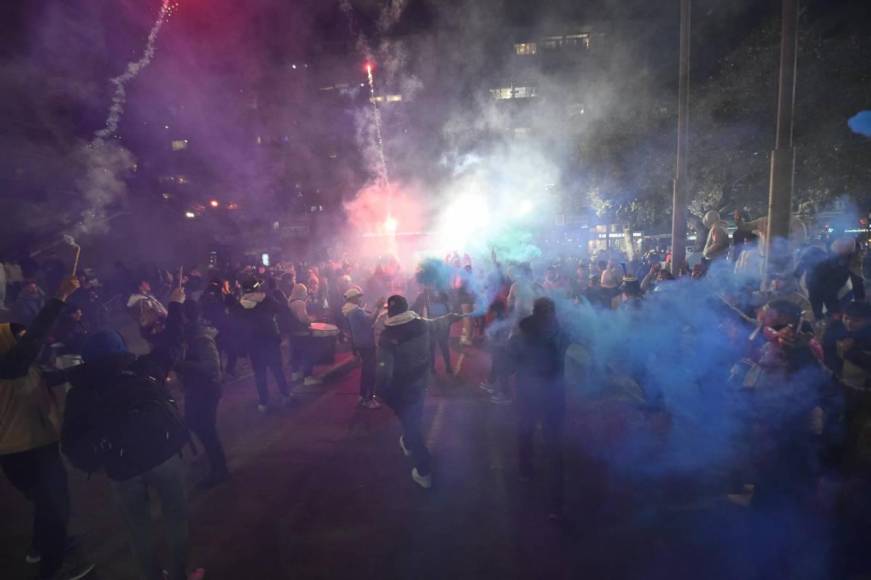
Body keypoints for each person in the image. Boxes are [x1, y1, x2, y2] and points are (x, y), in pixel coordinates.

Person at [62, 301, 204, 580]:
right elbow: (172, 345)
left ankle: (152, 576)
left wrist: (99, 462)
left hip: (122, 469)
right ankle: (179, 575)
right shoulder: (143, 369)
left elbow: (71, 443)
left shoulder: (79, 393)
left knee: (138, 529)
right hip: (164, 457)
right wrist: (175, 304)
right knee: (176, 518)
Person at [0, 276, 94, 580]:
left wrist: (91, 368)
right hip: (27, 451)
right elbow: (31, 344)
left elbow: (48, 377)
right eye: (21, 337)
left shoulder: (21, 366)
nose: (28, 340)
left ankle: (40, 546)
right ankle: (53, 570)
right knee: (57, 506)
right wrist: (60, 297)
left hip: (29, 446)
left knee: (46, 502)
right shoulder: (8, 365)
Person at [376, 295, 460, 489]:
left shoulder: (388, 337)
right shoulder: (422, 324)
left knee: (411, 423)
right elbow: (439, 322)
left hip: (402, 386)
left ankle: (424, 470)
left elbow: (384, 369)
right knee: (414, 415)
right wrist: (453, 316)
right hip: (421, 381)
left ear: (390, 311)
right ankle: (407, 441)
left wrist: (380, 390)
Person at [508, 297, 570, 518]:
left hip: (527, 391)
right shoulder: (562, 332)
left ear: (534, 311)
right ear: (552, 312)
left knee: (525, 429)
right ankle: (556, 504)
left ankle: (524, 469)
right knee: (554, 444)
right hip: (554, 393)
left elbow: (510, 362)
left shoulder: (521, 332)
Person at [177, 300, 229, 488]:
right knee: (195, 423)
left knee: (206, 428)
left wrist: (184, 365)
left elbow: (212, 368)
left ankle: (220, 469)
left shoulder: (200, 337)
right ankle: (212, 456)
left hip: (207, 389)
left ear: (185, 316)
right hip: (197, 388)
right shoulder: (189, 334)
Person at [232, 279, 293, 412]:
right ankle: (285, 394)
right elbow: (282, 309)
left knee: (259, 373)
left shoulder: (240, 305)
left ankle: (263, 402)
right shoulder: (266, 300)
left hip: (253, 343)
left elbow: (237, 325)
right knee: (277, 369)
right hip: (270, 340)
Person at [342, 286, 381, 409]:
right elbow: (370, 320)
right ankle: (367, 399)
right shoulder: (356, 311)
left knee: (366, 370)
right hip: (366, 343)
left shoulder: (350, 311)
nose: (360, 299)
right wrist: (378, 307)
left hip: (360, 343)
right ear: (353, 299)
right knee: (370, 371)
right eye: (358, 297)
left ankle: (363, 395)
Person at [412, 284, 454, 375]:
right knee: (433, 347)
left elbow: (449, 307)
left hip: (441, 324)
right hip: (432, 325)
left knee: (442, 346)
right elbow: (414, 308)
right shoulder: (424, 296)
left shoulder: (441, 293)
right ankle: (434, 368)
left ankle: (446, 366)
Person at [288, 283, 320, 386]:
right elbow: (303, 319)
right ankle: (308, 377)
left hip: (292, 333)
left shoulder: (290, 301)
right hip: (302, 332)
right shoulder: (300, 303)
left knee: (296, 354)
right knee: (307, 354)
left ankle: (295, 374)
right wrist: (311, 319)